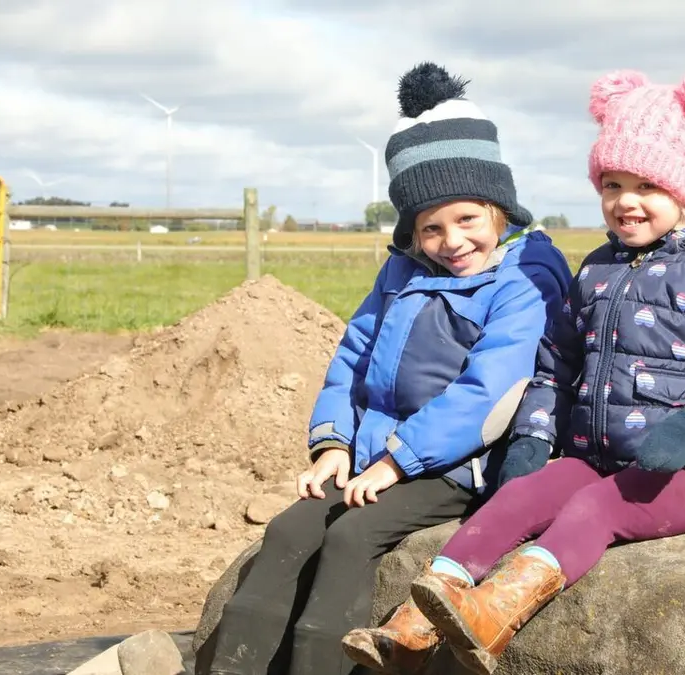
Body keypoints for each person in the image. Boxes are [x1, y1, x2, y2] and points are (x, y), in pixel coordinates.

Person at [342, 65, 685, 675]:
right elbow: (556, 364)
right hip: (600, 455)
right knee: (519, 496)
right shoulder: (599, 270)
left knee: (593, 511)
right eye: (612, 184)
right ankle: (418, 620)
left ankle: (492, 613)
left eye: (647, 185)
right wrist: (533, 435)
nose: (625, 200)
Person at [197, 62, 572, 675]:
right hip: (372, 453)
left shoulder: (523, 281)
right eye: (430, 228)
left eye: (466, 220)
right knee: (291, 531)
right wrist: (333, 444)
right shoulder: (399, 273)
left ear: (499, 210)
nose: (451, 241)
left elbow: (489, 392)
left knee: (350, 536)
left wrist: (399, 458)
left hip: (451, 463)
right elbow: (352, 357)